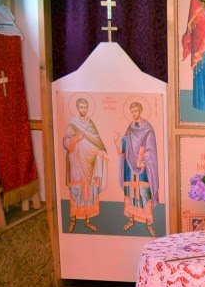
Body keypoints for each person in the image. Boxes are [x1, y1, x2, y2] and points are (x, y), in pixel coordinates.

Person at [62, 97, 108, 233]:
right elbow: (65, 142)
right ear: (78, 108)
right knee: (76, 190)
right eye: (81, 107)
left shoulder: (90, 124)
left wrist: (100, 152)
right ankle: (73, 220)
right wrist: (77, 138)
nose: (83, 109)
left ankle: (88, 221)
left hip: (90, 162)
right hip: (76, 162)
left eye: (85, 107)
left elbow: (97, 142)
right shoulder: (72, 124)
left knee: (89, 191)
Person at [114, 101, 159, 236]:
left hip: (142, 166)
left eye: (136, 111)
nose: (134, 113)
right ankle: (131, 219)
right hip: (129, 165)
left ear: (140, 111)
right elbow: (125, 144)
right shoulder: (130, 127)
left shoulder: (148, 129)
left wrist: (144, 162)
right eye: (132, 111)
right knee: (130, 192)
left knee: (144, 192)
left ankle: (148, 223)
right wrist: (118, 143)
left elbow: (151, 149)